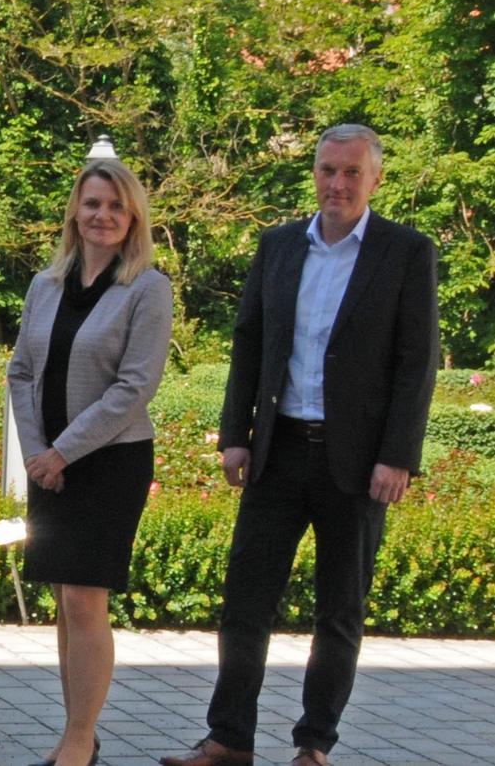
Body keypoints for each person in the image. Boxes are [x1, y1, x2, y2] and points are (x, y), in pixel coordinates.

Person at [163, 125, 439, 766]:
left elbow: (416, 362)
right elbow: (249, 342)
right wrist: (236, 436)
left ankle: (314, 745)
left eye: (350, 173)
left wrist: (398, 455)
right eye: (326, 170)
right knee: (244, 603)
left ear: (374, 178)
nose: (337, 184)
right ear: (313, 173)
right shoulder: (279, 245)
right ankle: (229, 738)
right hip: (278, 451)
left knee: (340, 612)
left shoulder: (405, 253)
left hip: (358, 462)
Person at [7, 158, 173, 766]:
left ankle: (78, 741)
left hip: (109, 462)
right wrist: (35, 452)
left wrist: (62, 451)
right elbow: (20, 370)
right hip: (47, 462)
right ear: (75, 212)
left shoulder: (148, 288)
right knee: (64, 595)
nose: (102, 215)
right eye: (92, 204)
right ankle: (80, 728)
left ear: (133, 219)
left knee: (84, 596)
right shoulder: (45, 284)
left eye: (115, 206)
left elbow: (134, 388)